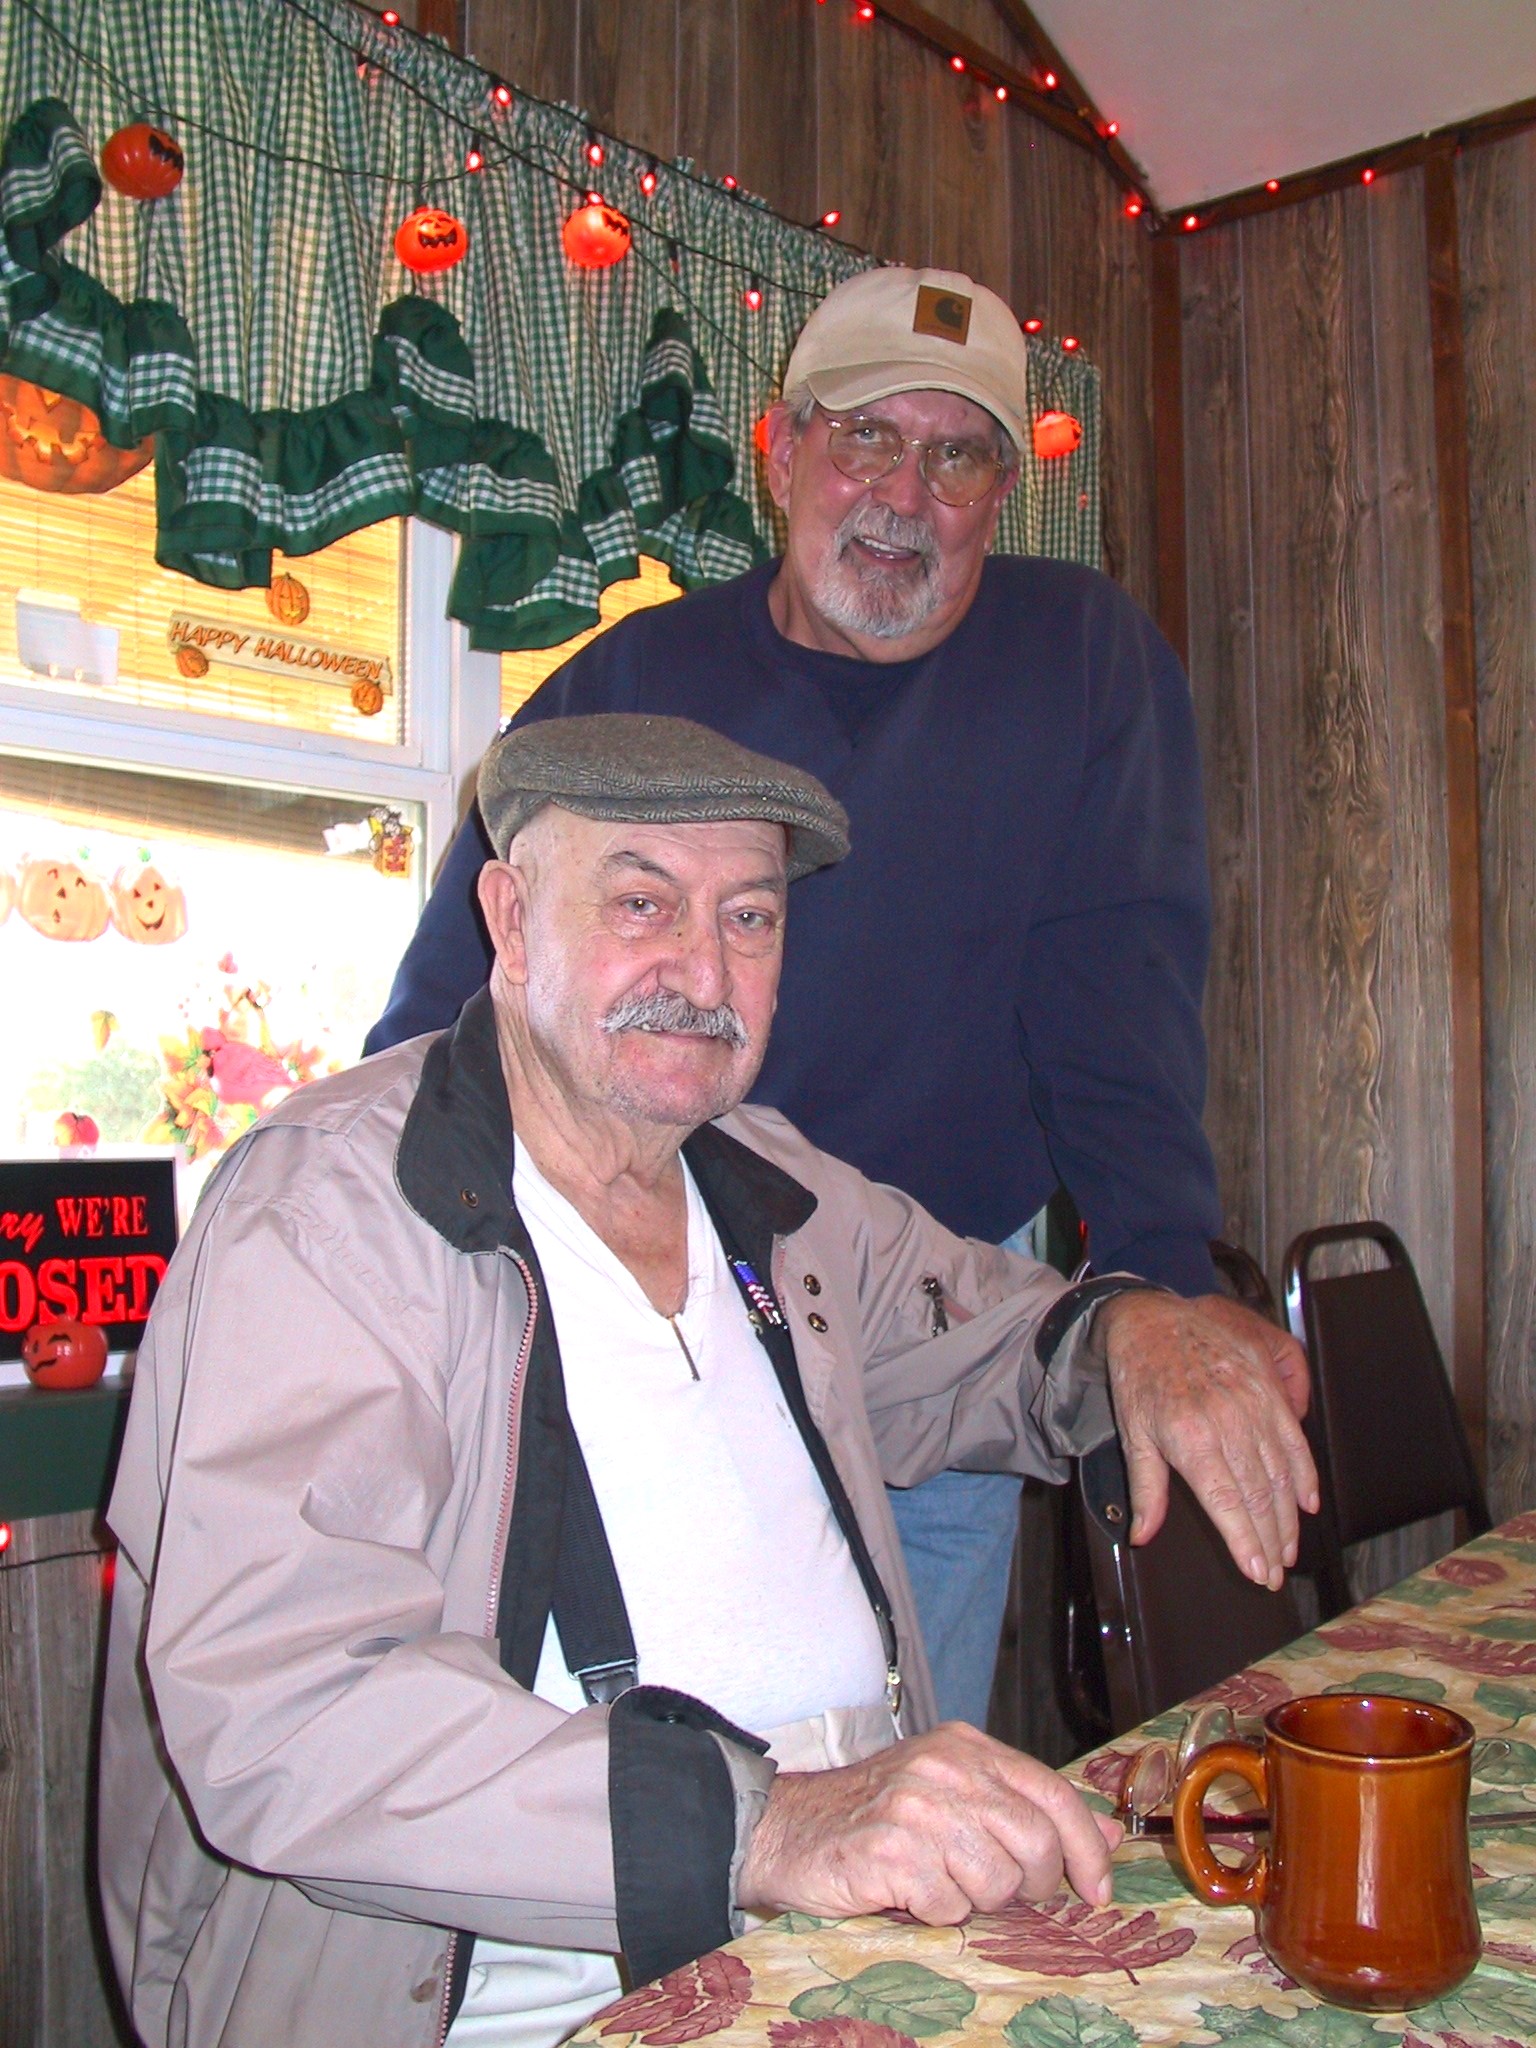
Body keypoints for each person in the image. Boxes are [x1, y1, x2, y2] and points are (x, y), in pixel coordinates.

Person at [99, 715, 1315, 2048]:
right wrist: (772, 1823)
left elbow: (974, 1327)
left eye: (750, 917)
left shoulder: (764, 1182)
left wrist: (1126, 1334)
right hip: (522, 2015)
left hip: (840, 1969)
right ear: (509, 918)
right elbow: (286, 1716)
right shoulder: (330, 1215)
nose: (702, 967)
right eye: (640, 902)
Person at [364, 265, 1230, 1726]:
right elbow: (450, 1010)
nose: (904, 494)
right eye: (864, 439)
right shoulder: (628, 687)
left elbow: (1120, 997)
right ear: (780, 450)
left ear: (1003, 489)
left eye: (956, 454)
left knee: (905, 1727)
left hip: (949, 1304)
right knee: (683, 1716)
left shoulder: (1082, 661)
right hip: (663, 1281)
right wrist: (368, 1247)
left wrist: (1158, 1287)